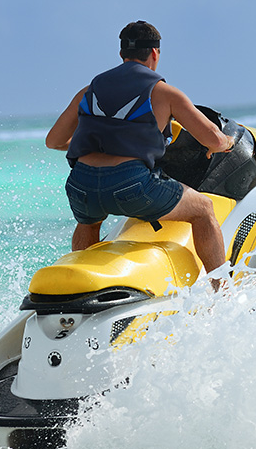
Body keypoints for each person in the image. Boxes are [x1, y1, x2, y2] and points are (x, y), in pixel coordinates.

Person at [46, 20, 234, 282]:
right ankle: (221, 286)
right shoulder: (163, 93)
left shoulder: (89, 90)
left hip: (81, 185)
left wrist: (84, 149)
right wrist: (227, 143)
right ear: (155, 53)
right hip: (132, 186)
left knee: (88, 220)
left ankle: (82, 280)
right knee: (203, 209)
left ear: (122, 54)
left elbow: (53, 141)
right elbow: (212, 140)